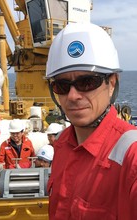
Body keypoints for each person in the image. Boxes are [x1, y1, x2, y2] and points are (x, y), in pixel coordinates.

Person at [46, 22, 137, 220]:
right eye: (61, 85)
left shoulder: (132, 154)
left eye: (86, 82)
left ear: (111, 83)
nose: (72, 95)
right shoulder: (61, 144)